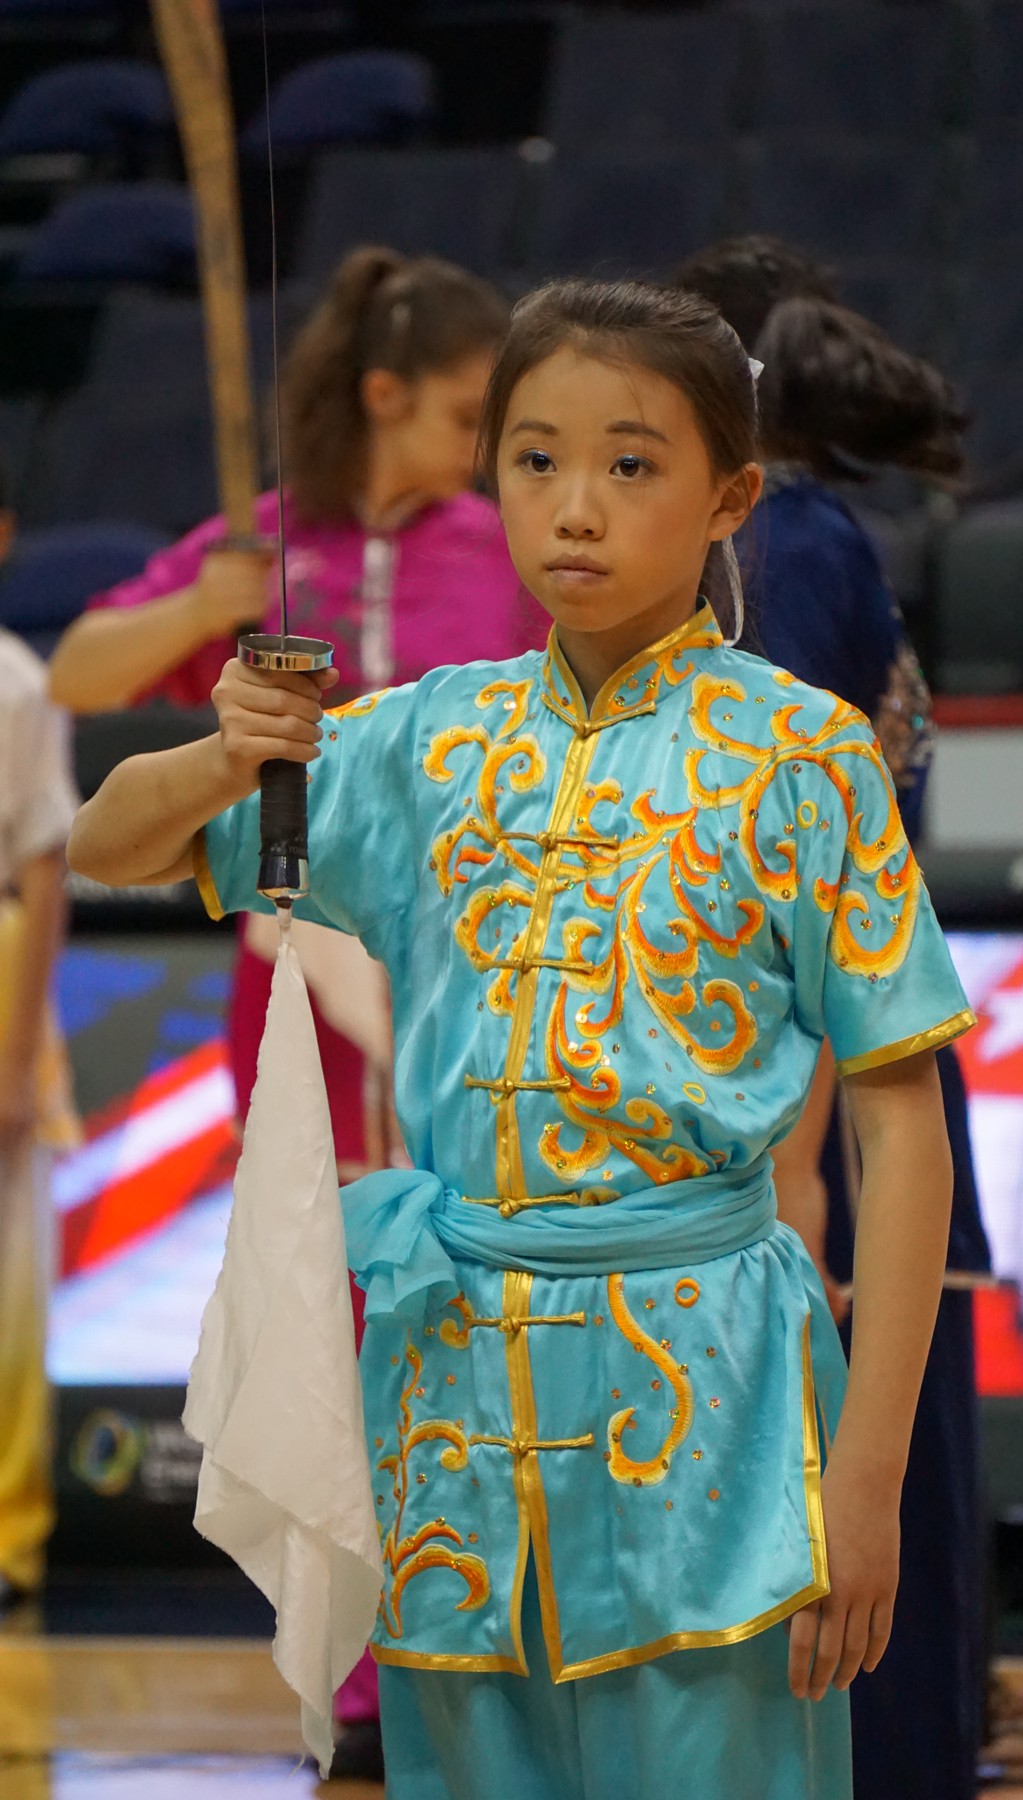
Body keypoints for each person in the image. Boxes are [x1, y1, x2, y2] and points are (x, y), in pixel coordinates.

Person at [68, 278, 974, 1800]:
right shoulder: (430, 739)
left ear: (731, 498)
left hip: (716, 1400)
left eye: (631, 464)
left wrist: (871, 1477)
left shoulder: (806, 757)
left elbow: (902, 1121)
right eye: (536, 460)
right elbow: (111, 841)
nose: (576, 507)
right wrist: (229, 754)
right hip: (453, 1403)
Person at [49, 243, 538, 1779]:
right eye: (461, 412)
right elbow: (78, 672)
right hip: (295, 975)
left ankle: (479, 1634)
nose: (482, 445)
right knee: (330, 1299)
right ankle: (357, 1667)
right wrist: (201, 603)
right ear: (382, 396)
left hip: (470, 974)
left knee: (466, 1298)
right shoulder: (260, 547)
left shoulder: (503, 544)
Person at [677, 234, 992, 1800]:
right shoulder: (809, 542)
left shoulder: (781, 562)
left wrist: (795, 1167)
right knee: (894, 1490)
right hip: (855, 1083)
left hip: (828, 1103)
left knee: (857, 1506)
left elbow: (796, 891)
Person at [0, 467, 79, 1608]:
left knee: (8, 1266)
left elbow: (48, 866)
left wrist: (16, 1062)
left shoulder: (19, 681)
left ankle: (8, 1535)